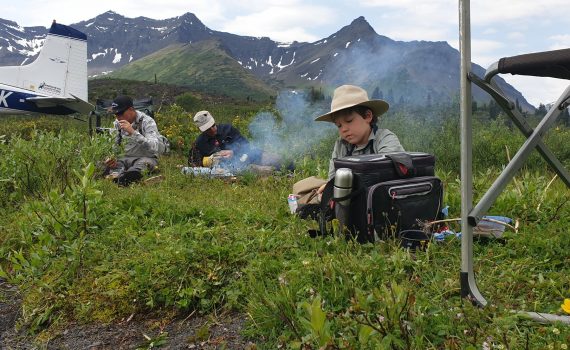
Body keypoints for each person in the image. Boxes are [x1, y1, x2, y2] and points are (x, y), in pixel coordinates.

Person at [315, 84, 404, 193]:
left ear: (367, 116)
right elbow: (333, 177)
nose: (343, 129)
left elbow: (386, 172)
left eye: (349, 121)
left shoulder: (385, 138)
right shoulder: (341, 144)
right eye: (339, 125)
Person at [104, 95, 162, 186]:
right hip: (123, 159)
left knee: (142, 165)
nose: (118, 117)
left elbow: (154, 147)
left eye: (121, 113)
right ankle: (119, 177)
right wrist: (111, 158)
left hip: (145, 158)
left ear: (131, 109)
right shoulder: (116, 123)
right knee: (104, 164)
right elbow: (114, 146)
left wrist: (133, 133)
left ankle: (126, 178)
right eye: (115, 114)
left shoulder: (147, 121)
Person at [192, 110, 263, 167]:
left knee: (271, 160)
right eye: (208, 129)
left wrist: (233, 152)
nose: (212, 130)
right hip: (225, 170)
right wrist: (209, 160)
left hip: (247, 159)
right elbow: (194, 162)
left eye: (213, 125)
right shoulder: (200, 142)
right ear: (201, 129)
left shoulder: (228, 129)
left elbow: (246, 145)